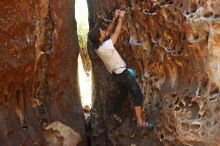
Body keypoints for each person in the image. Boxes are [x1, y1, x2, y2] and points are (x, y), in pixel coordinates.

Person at [88, 9, 154, 129]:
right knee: (138, 95)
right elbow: (116, 32)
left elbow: (107, 32)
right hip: (123, 74)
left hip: (117, 75)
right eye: (101, 32)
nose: (104, 31)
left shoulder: (98, 46)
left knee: (123, 93)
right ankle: (140, 122)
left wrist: (114, 17)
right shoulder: (106, 47)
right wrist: (121, 18)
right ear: (100, 38)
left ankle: (115, 112)